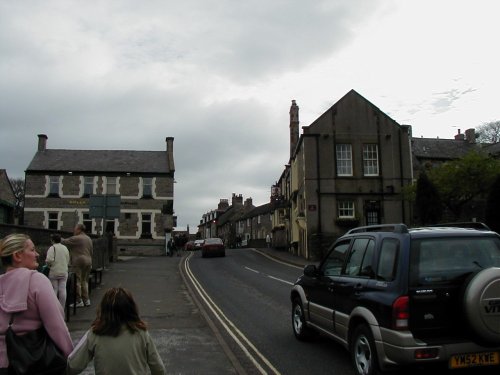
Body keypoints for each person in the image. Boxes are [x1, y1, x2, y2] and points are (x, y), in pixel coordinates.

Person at [0, 233, 74, 373]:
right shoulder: (37, 280)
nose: (37, 254)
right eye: (32, 250)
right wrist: (70, 356)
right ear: (17, 256)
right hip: (32, 363)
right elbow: (56, 326)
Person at [67, 287, 166, 375]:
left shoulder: (95, 333)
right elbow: (159, 369)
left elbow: (73, 366)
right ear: (131, 309)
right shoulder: (141, 333)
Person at [62, 224, 93, 307]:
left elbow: (63, 241)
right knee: (84, 281)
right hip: (88, 260)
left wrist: (55, 238)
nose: (74, 231)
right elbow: (91, 251)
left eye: (75, 229)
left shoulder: (77, 238)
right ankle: (87, 300)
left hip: (79, 261)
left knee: (77, 281)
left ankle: (79, 301)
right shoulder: (88, 238)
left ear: (79, 229)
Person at [45, 233, 71, 308]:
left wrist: (49, 264)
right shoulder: (65, 248)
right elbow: (68, 259)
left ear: (53, 240)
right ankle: (62, 308)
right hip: (64, 271)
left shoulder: (52, 248)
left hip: (54, 271)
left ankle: (54, 308)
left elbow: (49, 260)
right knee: (63, 289)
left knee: (54, 289)